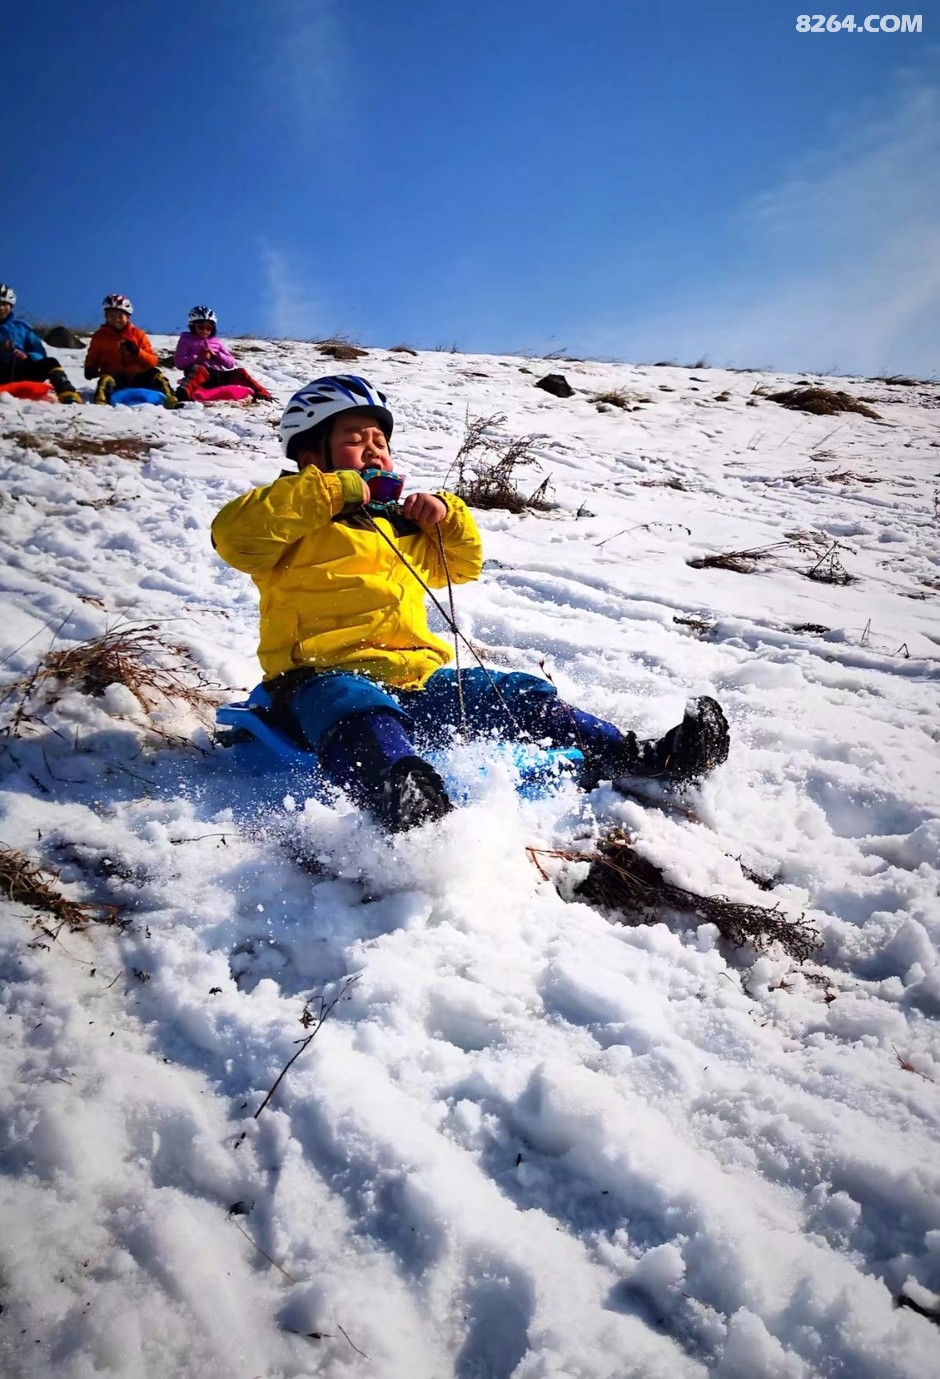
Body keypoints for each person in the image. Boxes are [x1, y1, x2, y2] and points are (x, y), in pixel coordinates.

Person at [211, 375, 730, 832]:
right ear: (308, 454)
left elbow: (461, 565)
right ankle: (401, 795)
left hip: (414, 678)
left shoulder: (399, 528)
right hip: (318, 680)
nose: (373, 451)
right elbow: (235, 536)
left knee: (519, 693)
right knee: (359, 709)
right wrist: (331, 490)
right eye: (354, 440)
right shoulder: (287, 523)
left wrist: (445, 515)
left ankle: (641, 757)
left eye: (380, 441)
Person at [84, 294, 177, 406]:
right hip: (117, 379)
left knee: (156, 375)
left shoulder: (138, 335)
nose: (116, 319)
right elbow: (93, 356)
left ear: (127, 316)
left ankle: (171, 399)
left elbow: (153, 361)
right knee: (105, 379)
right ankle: (101, 403)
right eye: (111, 315)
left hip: (139, 377)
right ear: (106, 316)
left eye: (120, 315)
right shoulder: (100, 336)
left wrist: (137, 352)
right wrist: (90, 368)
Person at [0, 283, 81, 403]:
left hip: (21, 369)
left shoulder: (21, 328)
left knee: (50, 362)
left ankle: (66, 392)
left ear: (11, 306)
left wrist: (27, 356)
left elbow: (39, 352)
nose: (1, 308)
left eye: (4, 304)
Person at [173, 306, 273, 402]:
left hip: (218, 375)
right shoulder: (186, 340)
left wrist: (216, 355)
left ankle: (262, 394)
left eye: (209, 327)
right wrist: (198, 357)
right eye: (201, 327)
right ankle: (182, 394)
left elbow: (230, 363)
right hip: (201, 378)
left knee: (240, 372)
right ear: (192, 326)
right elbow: (179, 362)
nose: (205, 331)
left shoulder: (216, 342)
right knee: (199, 369)